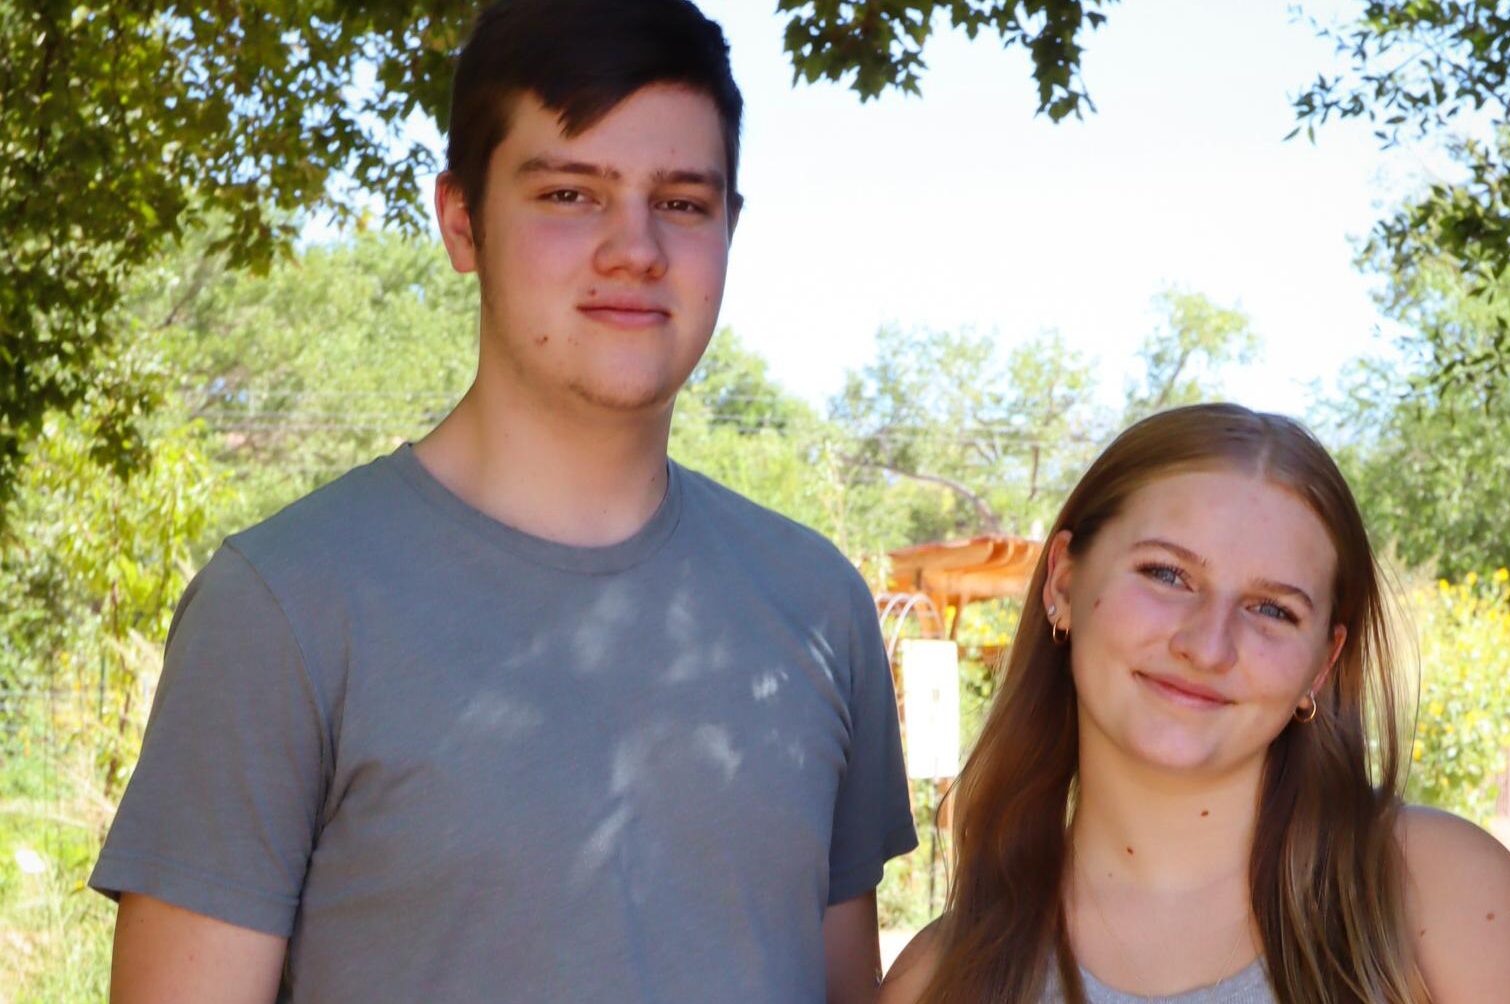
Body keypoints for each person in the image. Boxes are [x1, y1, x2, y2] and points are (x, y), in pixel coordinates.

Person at [91, 2, 917, 1001]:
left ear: (730, 228)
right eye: (571, 192)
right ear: (460, 220)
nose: (635, 248)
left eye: (685, 202)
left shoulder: (818, 604)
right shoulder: (282, 608)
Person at [880, 403, 1510, 1004]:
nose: (1208, 646)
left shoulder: (1438, 895)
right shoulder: (941, 979)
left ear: (1321, 664)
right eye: (1166, 574)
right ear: (1062, 580)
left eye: (1271, 610)